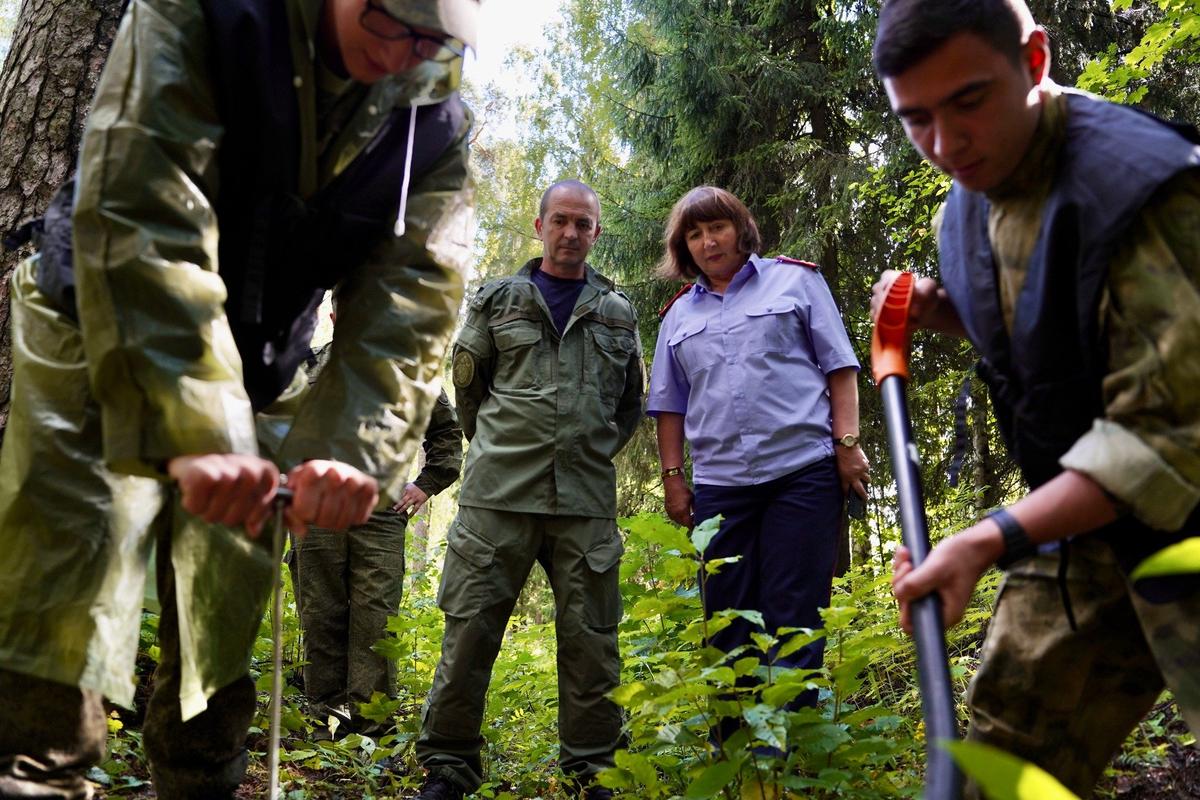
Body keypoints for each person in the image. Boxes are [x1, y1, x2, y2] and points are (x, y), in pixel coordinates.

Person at [0, 0, 477, 796]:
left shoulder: (436, 117)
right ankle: (35, 776)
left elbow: (411, 301)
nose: (409, 58)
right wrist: (199, 428)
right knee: (60, 603)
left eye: (435, 41)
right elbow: (141, 213)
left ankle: (201, 781)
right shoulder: (204, 13)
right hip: (95, 318)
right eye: (395, 26)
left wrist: (349, 455)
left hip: (265, 363)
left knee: (219, 619)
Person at [871, 0, 1200, 795]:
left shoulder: (1143, 192)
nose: (945, 145)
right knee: (1001, 761)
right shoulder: (973, 191)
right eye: (916, 119)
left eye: (969, 101)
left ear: (1036, 60)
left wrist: (985, 540)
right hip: (1094, 531)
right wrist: (947, 314)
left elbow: (1165, 438)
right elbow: (1062, 339)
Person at [412, 180, 644, 800]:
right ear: (539, 225)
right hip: (496, 498)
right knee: (468, 634)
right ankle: (449, 768)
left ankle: (594, 772)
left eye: (584, 224)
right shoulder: (497, 301)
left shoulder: (617, 312)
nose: (571, 233)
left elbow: (628, 408)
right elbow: (469, 393)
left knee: (593, 643)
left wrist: (581, 452)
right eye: (561, 221)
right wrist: (506, 446)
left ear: (596, 233)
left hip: (585, 502)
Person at [647, 186, 869, 745]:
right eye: (694, 234)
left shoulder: (796, 281)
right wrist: (675, 480)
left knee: (794, 613)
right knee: (727, 618)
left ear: (740, 228)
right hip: (721, 489)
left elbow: (840, 367)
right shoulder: (677, 317)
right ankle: (739, 754)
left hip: (803, 474)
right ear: (685, 247)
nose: (708, 241)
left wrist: (848, 444)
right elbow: (669, 407)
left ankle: (793, 750)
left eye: (716, 227)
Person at [293, 326, 462, 739]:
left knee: (376, 620)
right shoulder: (307, 366)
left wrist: (425, 484)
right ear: (336, 311)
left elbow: (446, 431)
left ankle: (371, 729)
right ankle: (324, 721)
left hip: (380, 514)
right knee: (320, 615)